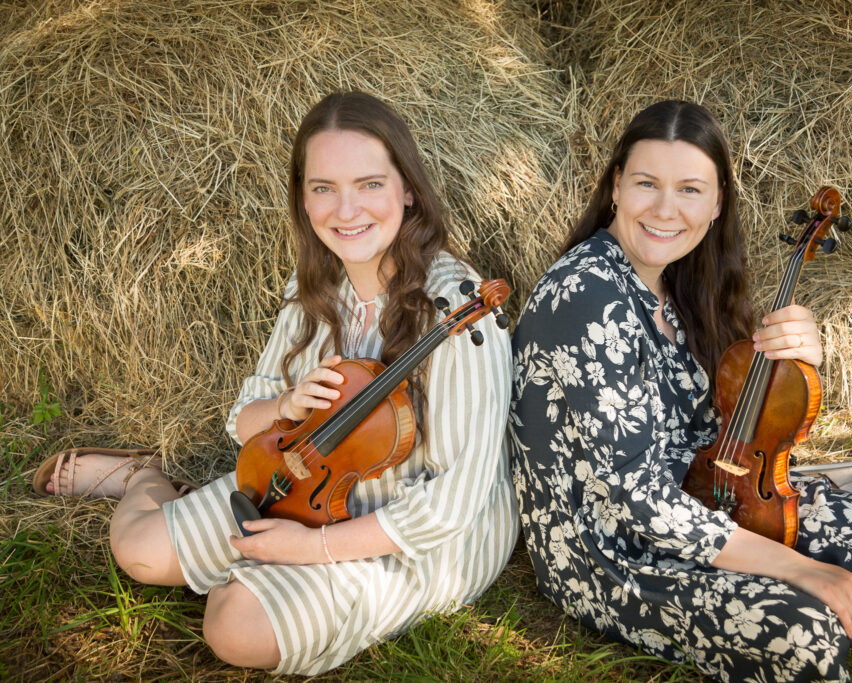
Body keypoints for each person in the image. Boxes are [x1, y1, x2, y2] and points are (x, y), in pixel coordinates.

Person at [34, 91, 517, 675]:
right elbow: (243, 421)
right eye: (323, 188)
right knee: (137, 550)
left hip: (421, 538)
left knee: (235, 630)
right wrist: (285, 403)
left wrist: (310, 550)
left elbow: (454, 503)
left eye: (369, 184)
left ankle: (256, 576)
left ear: (407, 189)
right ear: (303, 198)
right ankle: (145, 474)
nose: (346, 209)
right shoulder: (315, 286)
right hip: (307, 487)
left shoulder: (457, 309)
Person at [508, 100, 852, 682]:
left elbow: (724, 437)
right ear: (615, 187)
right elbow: (639, 502)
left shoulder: (682, 285)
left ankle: (838, 537)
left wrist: (801, 359)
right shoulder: (585, 295)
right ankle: (819, 562)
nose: (664, 209)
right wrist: (799, 569)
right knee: (805, 629)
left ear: (716, 203)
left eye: (689, 189)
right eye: (646, 184)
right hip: (610, 550)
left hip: (698, 495)